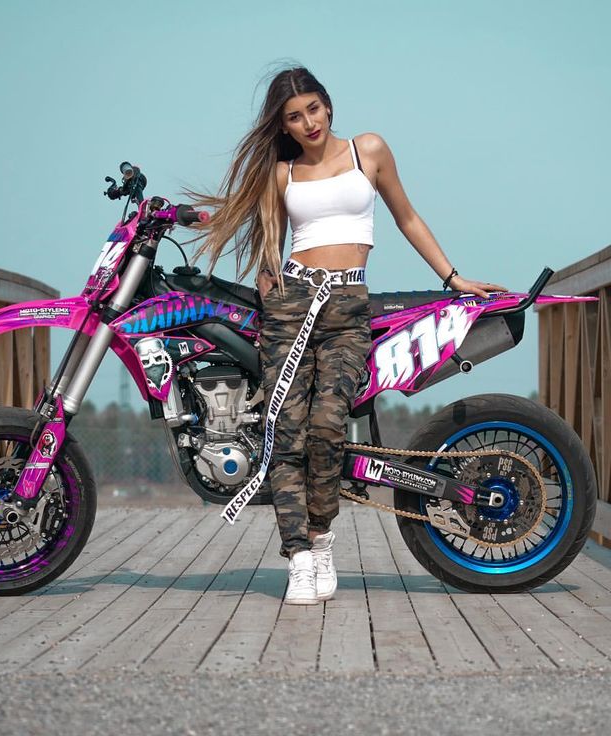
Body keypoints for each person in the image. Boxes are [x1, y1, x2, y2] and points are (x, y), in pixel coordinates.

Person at [191, 66, 506, 605]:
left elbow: (406, 217)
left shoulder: (369, 151)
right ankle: (299, 558)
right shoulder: (281, 173)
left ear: (328, 106)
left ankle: (321, 538)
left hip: (346, 309)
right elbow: (268, 246)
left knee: (328, 427)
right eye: (294, 117)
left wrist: (452, 278)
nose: (307, 122)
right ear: (283, 126)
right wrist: (271, 295)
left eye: (313, 109)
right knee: (284, 437)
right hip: (292, 306)